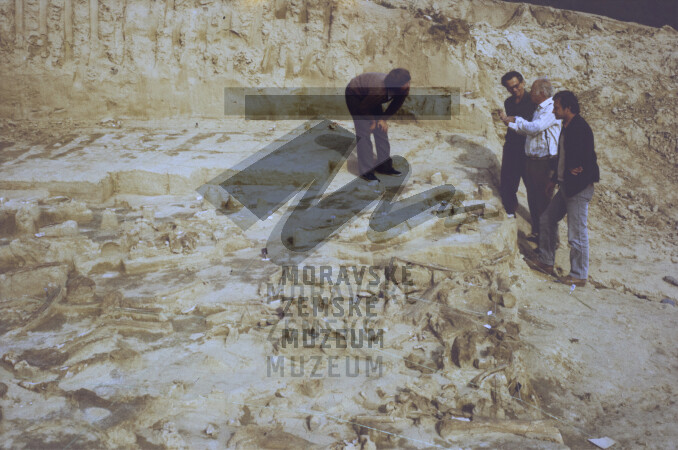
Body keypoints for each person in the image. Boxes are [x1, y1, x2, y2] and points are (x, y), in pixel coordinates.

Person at [532, 91, 600, 286]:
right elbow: (563, 157)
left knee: (576, 234)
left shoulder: (580, 127)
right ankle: (546, 261)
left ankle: (578, 274)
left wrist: (580, 169)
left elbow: (589, 158)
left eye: (556, 107)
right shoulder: (567, 126)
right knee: (547, 219)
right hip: (565, 186)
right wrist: (554, 180)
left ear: (568, 108)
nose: (553, 111)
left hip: (577, 189)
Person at [501, 77, 561, 241]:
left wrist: (516, 119)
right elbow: (529, 131)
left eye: (533, 91)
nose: (530, 93)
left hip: (545, 162)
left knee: (544, 203)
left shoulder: (550, 109)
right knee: (534, 199)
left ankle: (549, 242)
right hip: (532, 160)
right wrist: (510, 124)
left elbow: (535, 128)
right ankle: (539, 234)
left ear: (541, 93)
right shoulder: (539, 109)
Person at [345, 69, 411, 182]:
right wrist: (373, 121)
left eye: (408, 81)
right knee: (364, 133)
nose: (408, 85)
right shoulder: (379, 90)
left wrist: (383, 120)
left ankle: (384, 167)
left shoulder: (404, 88)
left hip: (370, 97)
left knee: (381, 129)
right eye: (405, 83)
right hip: (355, 95)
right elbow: (363, 108)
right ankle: (366, 172)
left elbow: (396, 104)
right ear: (396, 85)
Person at [498, 71, 536, 218]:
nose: (514, 90)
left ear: (523, 83)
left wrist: (513, 121)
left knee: (533, 188)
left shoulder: (533, 101)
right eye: (510, 88)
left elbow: (533, 127)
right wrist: (507, 121)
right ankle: (510, 214)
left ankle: (538, 224)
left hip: (528, 149)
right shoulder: (508, 102)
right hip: (512, 148)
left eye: (516, 86)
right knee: (508, 184)